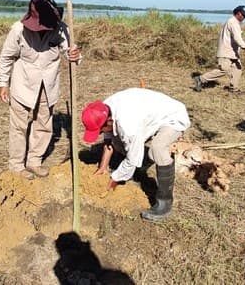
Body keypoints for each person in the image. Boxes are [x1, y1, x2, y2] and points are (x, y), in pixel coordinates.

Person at [0, 0, 81, 180]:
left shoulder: (61, 30)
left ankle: (34, 161)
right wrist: (3, 83)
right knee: (19, 126)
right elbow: (6, 57)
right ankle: (17, 165)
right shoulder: (18, 30)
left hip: (48, 85)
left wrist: (74, 55)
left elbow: (70, 53)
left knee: (44, 124)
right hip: (23, 85)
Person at [81, 88, 191, 221]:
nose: (99, 134)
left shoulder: (128, 126)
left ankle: (164, 203)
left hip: (173, 117)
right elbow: (108, 140)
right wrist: (103, 167)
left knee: (157, 149)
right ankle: (140, 165)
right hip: (148, 115)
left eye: (100, 130)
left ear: (109, 121)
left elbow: (132, 159)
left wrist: (115, 179)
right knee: (118, 142)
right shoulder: (102, 110)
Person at [193, 5, 245, 94]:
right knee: (224, 70)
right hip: (226, 51)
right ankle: (200, 79)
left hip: (232, 52)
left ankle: (234, 89)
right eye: (244, 15)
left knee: (238, 69)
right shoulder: (233, 23)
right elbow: (237, 38)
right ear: (238, 14)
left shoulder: (235, 23)